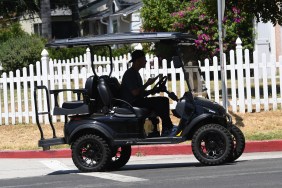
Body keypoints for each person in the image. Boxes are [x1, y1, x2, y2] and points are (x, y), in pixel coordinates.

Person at [120, 50, 177, 136]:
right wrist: (147, 84)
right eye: (144, 59)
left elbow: (141, 93)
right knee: (162, 101)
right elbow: (135, 93)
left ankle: (166, 128)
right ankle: (167, 128)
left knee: (162, 100)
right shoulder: (130, 74)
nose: (146, 61)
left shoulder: (136, 73)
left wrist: (154, 90)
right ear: (138, 60)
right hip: (131, 103)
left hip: (137, 100)